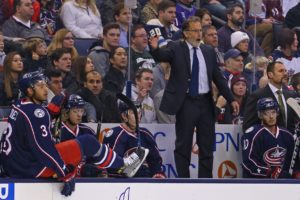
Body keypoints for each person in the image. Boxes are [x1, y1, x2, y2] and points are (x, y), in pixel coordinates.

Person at [0, 71, 149, 196]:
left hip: (14, 166)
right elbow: (42, 147)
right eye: (39, 86)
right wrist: (63, 172)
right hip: (30, 168)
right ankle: (123, 166)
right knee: (88, 142)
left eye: (45, 84)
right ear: (29, 91)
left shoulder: (19, 105)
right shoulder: (36, 112)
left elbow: (29, 128)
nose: (45, 89)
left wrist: (50, 113)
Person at [149, 16, 239, 178]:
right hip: (186, 102)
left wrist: (231, 98)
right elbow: (161, 56)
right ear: (186, 33)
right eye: (195, 31)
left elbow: (218, 78)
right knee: (183, 144)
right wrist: (155, 48)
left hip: (205, 102)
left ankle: (205, 182)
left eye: (200, 30)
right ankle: (184, 181)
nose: (199, 34)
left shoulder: (208, 51)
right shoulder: (176, 47)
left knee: (207, 145)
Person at [103, 100, 165, 178]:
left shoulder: (145, 134)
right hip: (120, 182)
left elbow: (155, 161)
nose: (138, 116)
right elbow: (111, 167)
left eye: (139, 112)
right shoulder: (114, 134)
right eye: (133, 113)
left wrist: (157, 173)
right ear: (124, 116)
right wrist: (131, 168)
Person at [242, 97, 294, 178]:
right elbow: (248, 162)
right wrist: (270, 172)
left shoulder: (287, 135)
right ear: (260, 115)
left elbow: (292, 161)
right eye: (266, 113)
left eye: (273, 112)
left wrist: (296, 172)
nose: (271, 117)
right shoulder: (252, 133)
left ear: (277, 113)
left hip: (283, 184)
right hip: (257, 183)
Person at [243, 61, 298, 133]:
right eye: (281, 71)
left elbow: (292, 123)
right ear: (270, 74)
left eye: (285, 71)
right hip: (267, 142)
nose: (285, 74)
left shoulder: (291, 95)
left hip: (288, 141)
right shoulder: (257, 96)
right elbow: (248, 126)